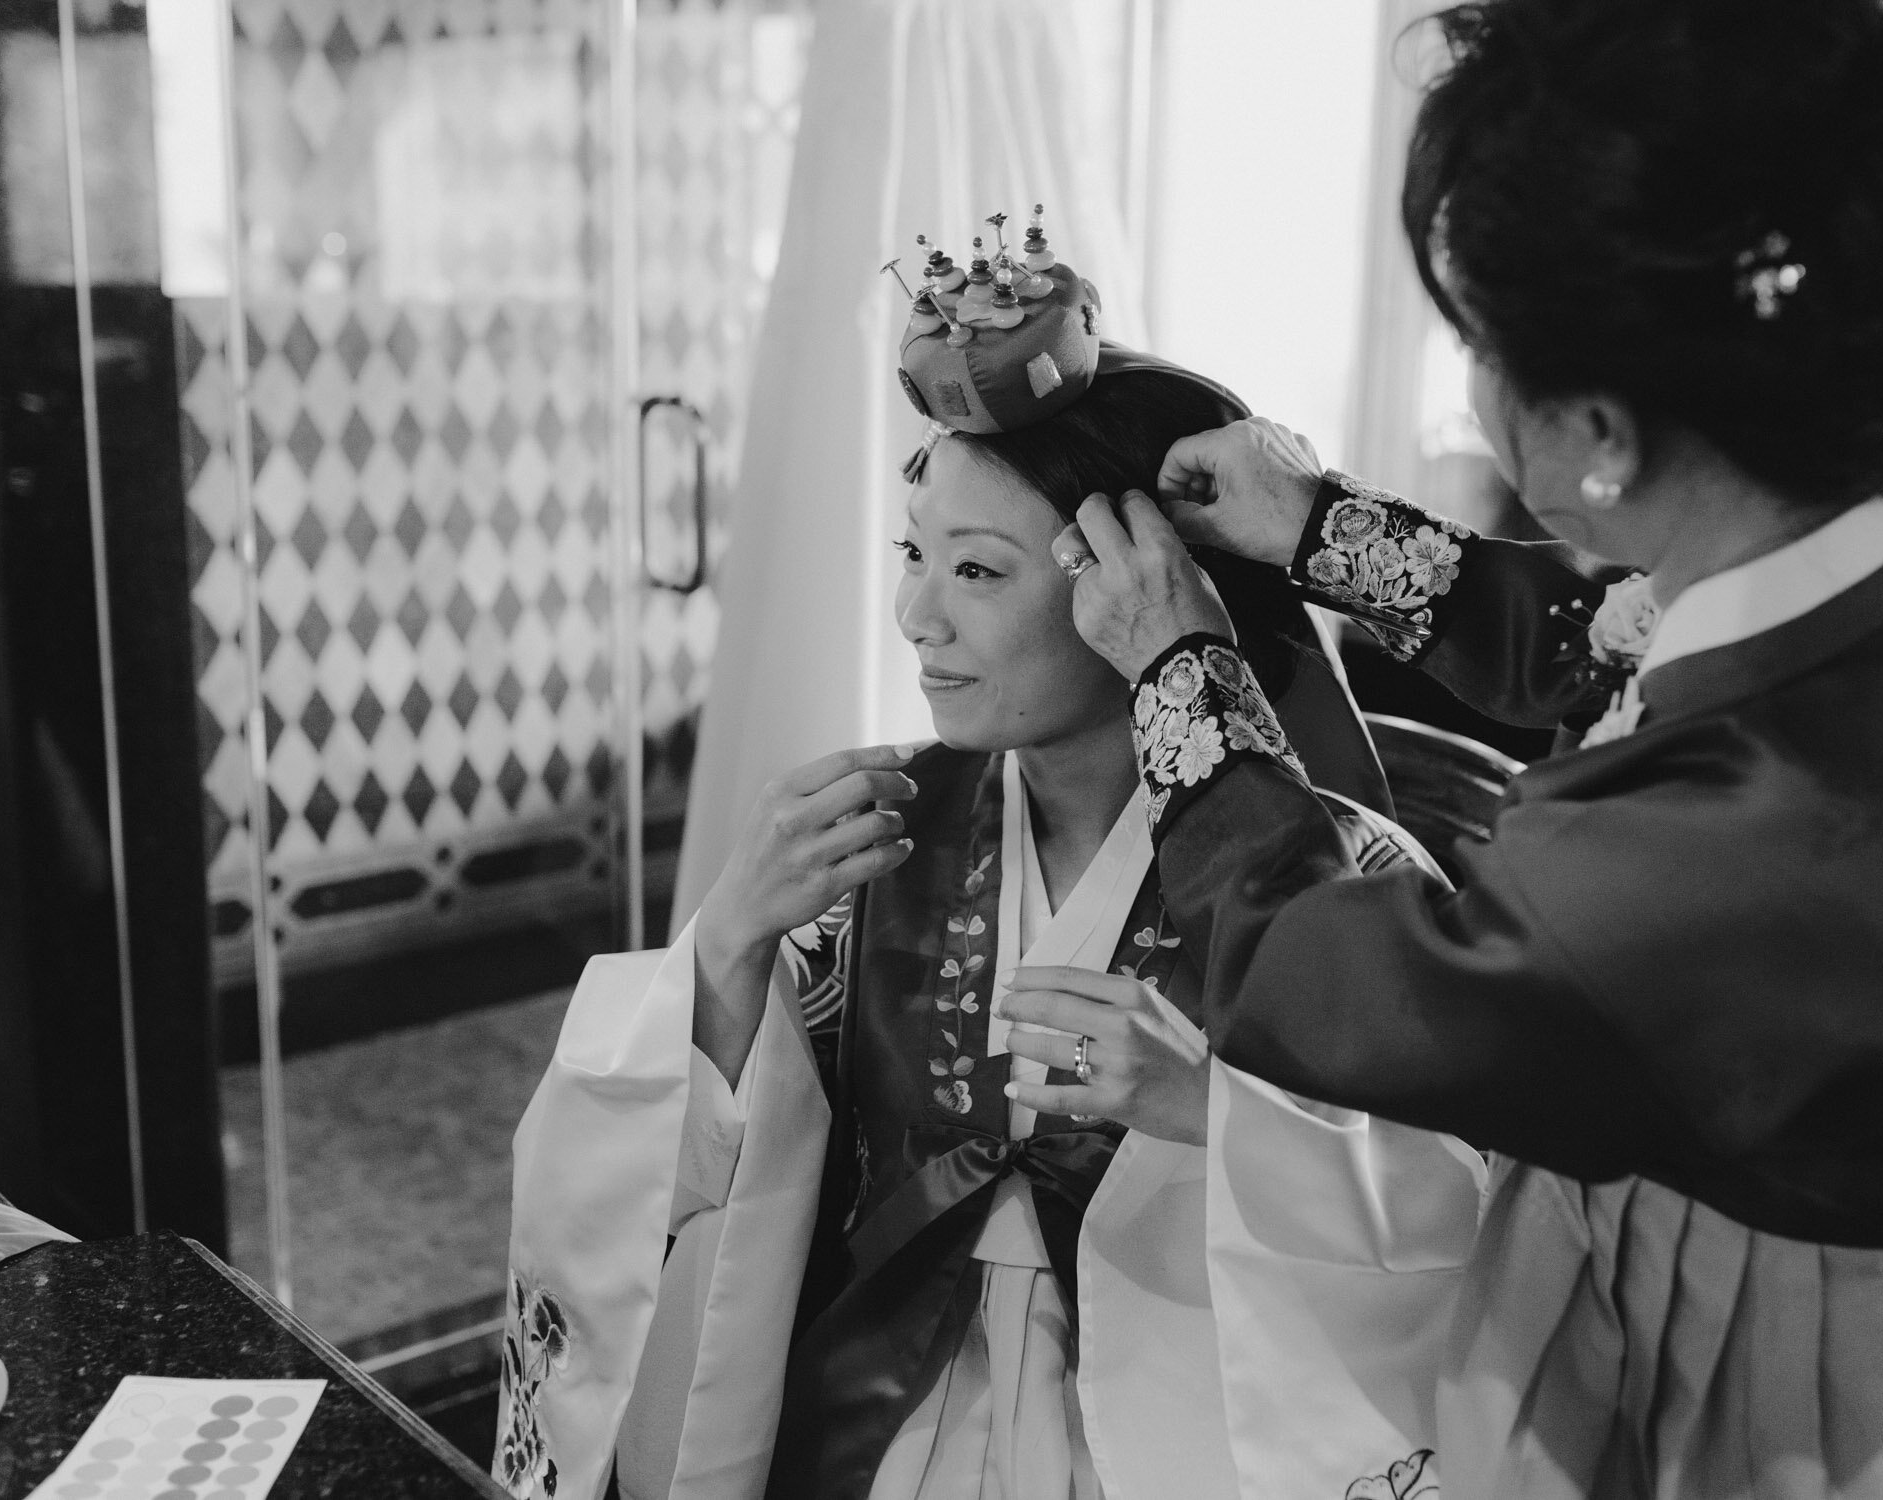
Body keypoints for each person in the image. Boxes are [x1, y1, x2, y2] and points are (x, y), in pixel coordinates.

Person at [1055, 2, 1883, 1496]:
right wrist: (1319, 527)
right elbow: (1641, 627)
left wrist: (1180, 667)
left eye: (1475, 344)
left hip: (1825, 1349)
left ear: (1592, 427)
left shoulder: (1712, 861)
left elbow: (1322, 978)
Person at [494, 227, 1483, 1500]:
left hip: (1186, 1430)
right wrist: (729, 949)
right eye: (916, 556)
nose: (918, 616)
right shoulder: (881, 833)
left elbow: (1476, 1209)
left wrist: (1207, 1113)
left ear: (1146, 589)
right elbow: (707, 1171)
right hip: (891, 1404)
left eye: (977, 571)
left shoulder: (1341, 870)